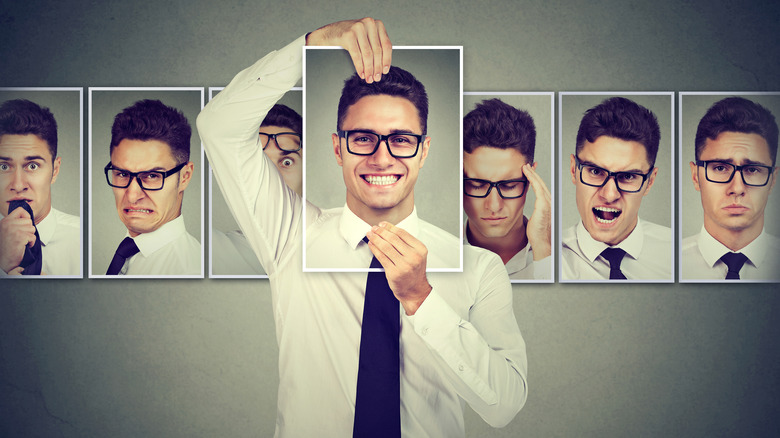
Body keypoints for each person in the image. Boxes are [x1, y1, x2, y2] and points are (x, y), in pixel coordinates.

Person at [198, 18, 526, 438]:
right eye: (363, 138)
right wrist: (313, 44)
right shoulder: (290, 236)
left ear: (424, 151)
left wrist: (421, 299)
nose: (382, 158)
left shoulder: (479, 268)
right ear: (337, 148)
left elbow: (505, 405)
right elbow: (218, 127)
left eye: (401, 140)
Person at [561, 96, 671, 280]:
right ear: (574, 170)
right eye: (595, 171)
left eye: (628, 176)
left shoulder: (677, 255)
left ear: (649, 181)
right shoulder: (546, 261)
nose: (610, 194)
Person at [681, 96, 779, 281]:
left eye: (752, 170)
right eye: (720, 168)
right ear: (695, 177)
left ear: (772, 180)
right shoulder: (669, 266)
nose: (737, 188)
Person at [103, 99, 200, 275]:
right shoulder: (128, 252)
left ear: (185, 176)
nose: (132, 196)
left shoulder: (189, 272)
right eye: (122, 174)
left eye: (152, 176)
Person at [463, 98, 552, 280]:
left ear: (530, 180)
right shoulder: (436, 257)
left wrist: (544, 249)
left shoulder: (564, 258)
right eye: (478, 185)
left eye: (509, 186)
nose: (494, 206)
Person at [212, 104, 302, 276]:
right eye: (259, 164)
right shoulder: (211, 251)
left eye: (287, 162)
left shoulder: (336, 247)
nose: (272, 177)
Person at [0, 99, 80, 276]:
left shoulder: (85, 242)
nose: (18, 185)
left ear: (55, 170)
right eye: (3, 167)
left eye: (32, 166)